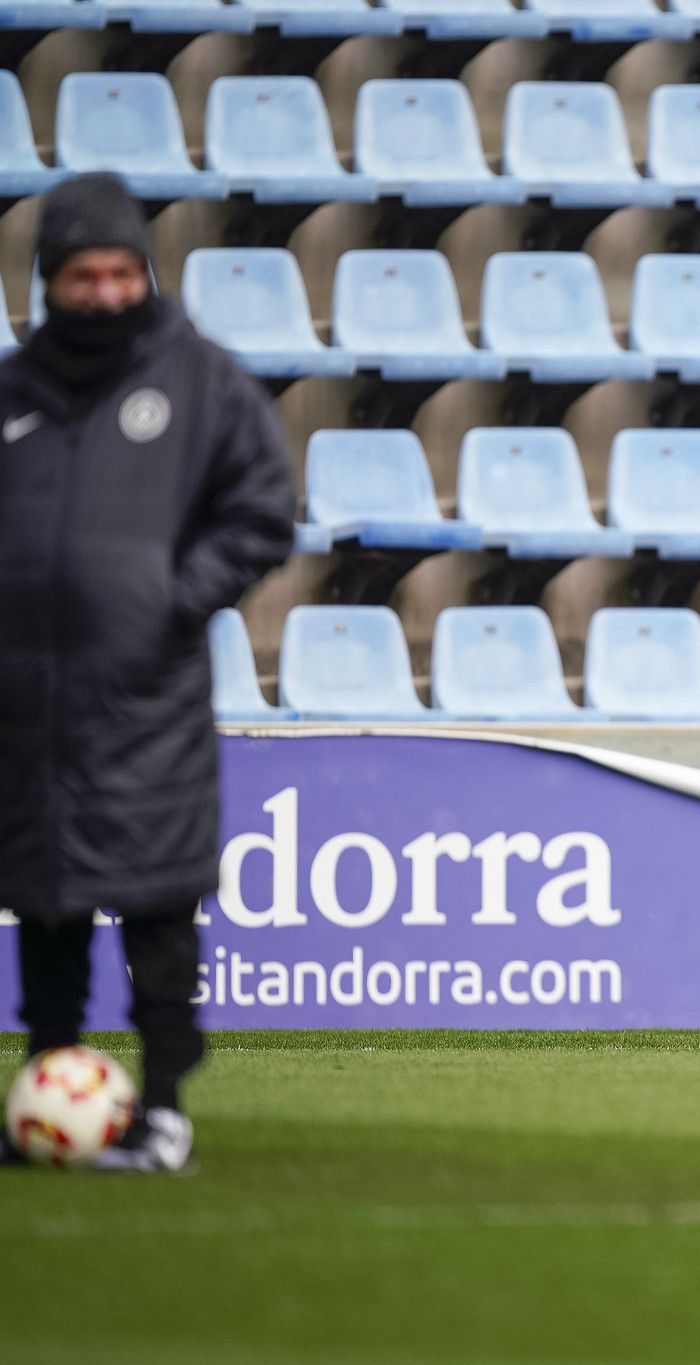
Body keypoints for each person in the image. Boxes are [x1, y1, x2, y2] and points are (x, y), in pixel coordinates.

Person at [0, 175, 297, 1169]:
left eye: (124, 272)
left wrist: (169, 603)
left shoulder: (201, 380)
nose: (107, 292)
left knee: (160, 905)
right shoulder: (13, 390)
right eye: (85, 274)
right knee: (46, 905)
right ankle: (46, 1078)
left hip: (147, 698)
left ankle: (162, 1107)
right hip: (26, 707)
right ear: (50, 282)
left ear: (147, 273)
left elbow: (262, 510)